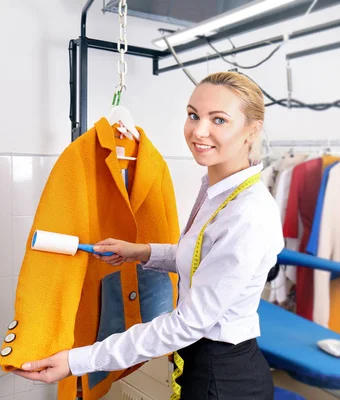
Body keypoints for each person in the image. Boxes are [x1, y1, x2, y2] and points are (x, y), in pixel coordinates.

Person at [14, 71, 284, 400]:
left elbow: (188, 323)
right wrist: (141, 252)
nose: (199, 130)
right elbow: (201, 256)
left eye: (219, 120)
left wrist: (78, 360)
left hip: (223, 378)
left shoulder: (248, 214)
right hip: (201, 362)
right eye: (193, 115)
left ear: (251, 131)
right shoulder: (216, 190)